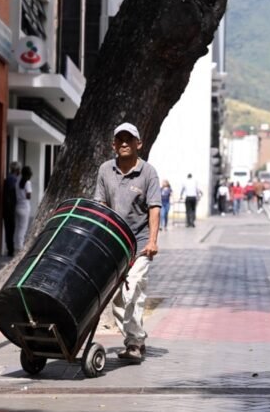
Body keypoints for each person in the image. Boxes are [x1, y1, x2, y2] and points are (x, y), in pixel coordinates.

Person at [93, 123, 161, 362]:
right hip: (114, 243)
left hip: (140, 243)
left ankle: (134, 342)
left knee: (130, 290)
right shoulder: (105, 170)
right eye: (119, 139)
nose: (124, 143)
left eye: (129, 139)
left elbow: (154, 208)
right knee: (125, 296)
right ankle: (136, 339)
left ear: (138, 144)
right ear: (113, 144)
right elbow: (100, 205)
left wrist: (152, 241)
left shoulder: (148, 172)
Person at [2, 161, 20, 256]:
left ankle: (10, 248)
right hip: (10, 209)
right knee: (10, 229)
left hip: (8, 208)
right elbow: (12, 194)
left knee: (9, 229)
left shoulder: (9, 178)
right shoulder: (13, 179)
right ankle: (11, 249)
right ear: (17, 170)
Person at [14, 166, 33, 251]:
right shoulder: (27, 182)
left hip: (17, 206)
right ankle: (20, 247)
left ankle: (16, 245)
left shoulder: (17, 181)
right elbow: (28, 196)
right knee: (23, 228)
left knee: (18, 227)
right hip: (25, 207)